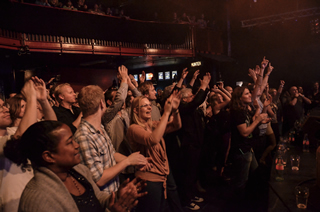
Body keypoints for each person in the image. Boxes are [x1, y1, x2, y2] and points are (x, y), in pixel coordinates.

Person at [4, 121, 147, 212]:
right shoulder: (38, 199)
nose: (77, 145)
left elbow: (97, 198)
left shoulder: (78, 171)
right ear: (48, 156)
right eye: (69, 142)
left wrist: (114, 200)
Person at [74, 84, 150, 195]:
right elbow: (98, 180)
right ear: (102, 103)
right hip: (103, 202)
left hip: (113, 193)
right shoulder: (84, 136)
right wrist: (128, 161)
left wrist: (135, 161)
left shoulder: (99, 128)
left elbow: (111, 153)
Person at [0, 77, 56, 212]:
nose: (5, 109)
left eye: (3, 106)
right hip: (13, 205)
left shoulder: (13, 131)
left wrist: (43, 100)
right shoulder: (14, 135)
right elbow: (19, 138)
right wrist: (31, 98)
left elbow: (53, 129)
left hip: (35, 199)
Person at [127, 91, 183, 212]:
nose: (149, 107)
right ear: (136, 111)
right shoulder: (133, 128)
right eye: (145, 105)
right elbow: (153, 139)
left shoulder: (152, 125)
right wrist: (166, 112)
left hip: (164, 172)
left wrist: (175, 110)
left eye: (149, 105)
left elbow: (176, 126)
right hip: (149, 178)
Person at [229, 86, 268, 192]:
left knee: (255, 174)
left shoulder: (244, 110)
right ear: (239, 98)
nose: (250, 95)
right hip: (241, 150)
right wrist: (257, 120)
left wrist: (259, 121)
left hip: (248, 148)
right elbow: (245, 132)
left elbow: (249, 124)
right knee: (241, 181)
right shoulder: (237, 112)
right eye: (246, 94)